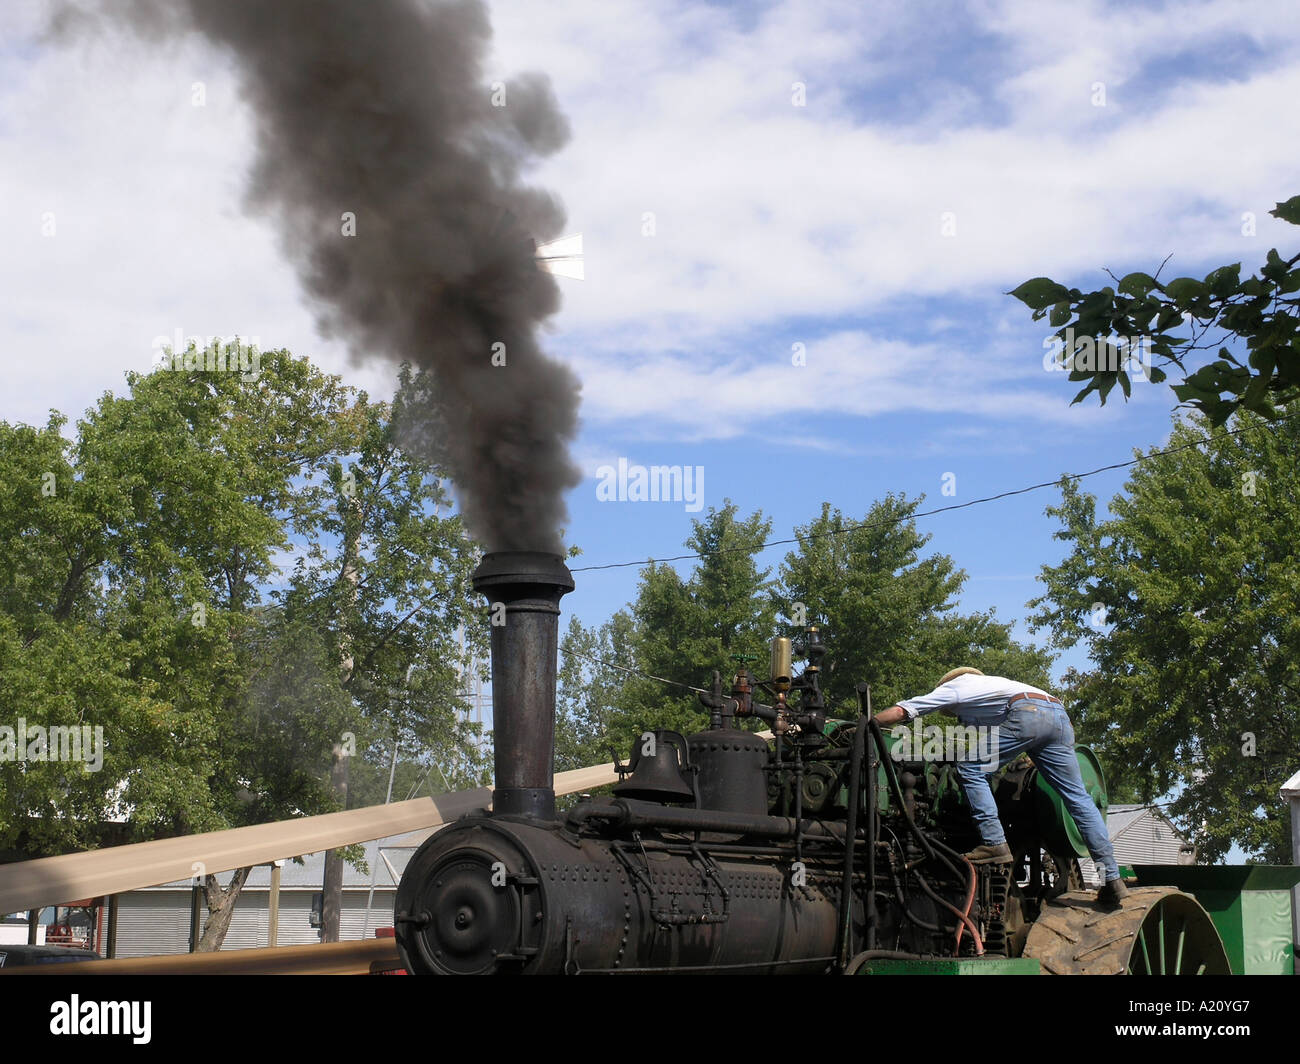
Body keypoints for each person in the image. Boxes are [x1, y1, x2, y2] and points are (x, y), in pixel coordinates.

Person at [873, 667, 1128, 907]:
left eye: (959, 716)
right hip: (1059, 716)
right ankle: (1111, 879)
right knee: (1078, 799)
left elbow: (902, 712)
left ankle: (994, 843)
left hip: (1029, 713)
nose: (961, 721)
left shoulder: (954, 688)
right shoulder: (994, 687)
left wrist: (867, 723)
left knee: (971, 767)